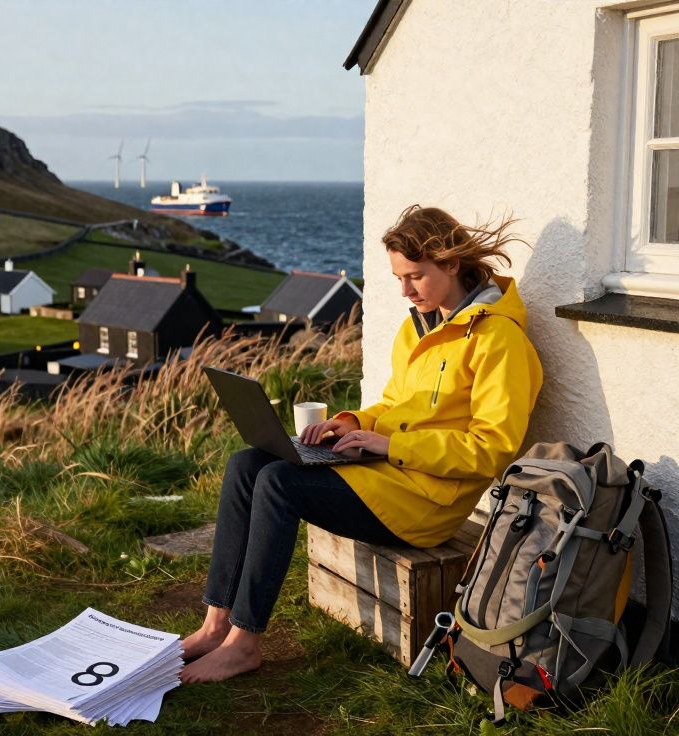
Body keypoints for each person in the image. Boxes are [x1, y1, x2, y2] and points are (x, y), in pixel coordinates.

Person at [180, 205, 544, 684]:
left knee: (279, 483)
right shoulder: (422, 325)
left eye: (415, 277)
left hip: (427, 503)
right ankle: (216, 625)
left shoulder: (500, 341)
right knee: (248, 463)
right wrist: (349, 423)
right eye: (399, 278)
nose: (405, 291)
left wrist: (387, 446)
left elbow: (492, 449)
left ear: (452, 264)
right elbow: (395, 403)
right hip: (386, 476)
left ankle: (244, 645)